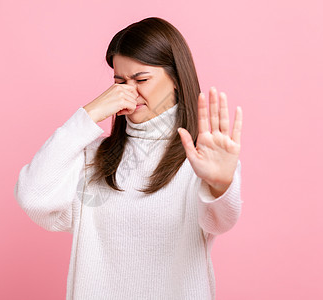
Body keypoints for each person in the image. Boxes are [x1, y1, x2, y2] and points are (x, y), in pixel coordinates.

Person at [14, 16, 243, 300]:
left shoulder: (202, 157)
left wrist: (220, 184)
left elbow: (221, 220)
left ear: (175, 78)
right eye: (119, 81)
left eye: (141, 79)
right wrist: (87, 115)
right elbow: (34, 198)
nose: (129, 91)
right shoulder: (93, 157)